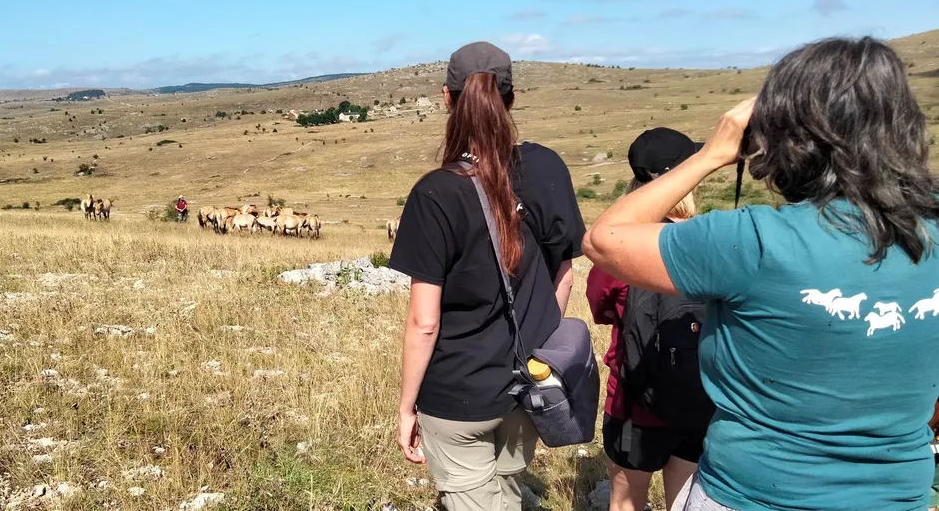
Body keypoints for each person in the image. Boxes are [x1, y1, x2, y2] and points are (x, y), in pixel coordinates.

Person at [582, 37, 939, 511]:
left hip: (753, 492)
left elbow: (604, 241)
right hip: (896, 496)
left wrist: (710, 154)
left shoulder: (754, 240)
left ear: (792, 139)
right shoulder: (931, 236)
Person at [389, 42, 586, 511]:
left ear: (447, 98)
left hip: (457, 393)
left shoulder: (435, 193)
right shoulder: (546, 167)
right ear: (511, 99)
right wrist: (538, 347)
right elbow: (565, 275)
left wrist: (405, 407)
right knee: (508, 489)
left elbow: (424, 322)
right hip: (528, 384)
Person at [587, 128, 708, 511]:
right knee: (685, 500)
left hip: (634, 401)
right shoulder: (713, 240)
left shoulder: (622, 247)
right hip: (699, 396)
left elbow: (599, 306)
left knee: (626, 503)